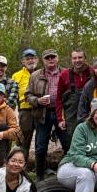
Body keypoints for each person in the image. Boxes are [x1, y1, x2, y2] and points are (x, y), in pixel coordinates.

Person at [26, 49, 66, 181]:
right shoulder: (35, 75)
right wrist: (37, 101)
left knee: (68, 144)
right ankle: (39, 176)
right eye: (47, 57)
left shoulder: (65, 73)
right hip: (43, 114)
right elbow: (27, 95)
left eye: (52, 57)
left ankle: (67, 173)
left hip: (62, 114)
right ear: (43, 60)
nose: (50, 59)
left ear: (57, 58)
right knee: (40, 146)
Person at [55, 49, 91, 140]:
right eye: (74, 58)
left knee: (90, 137)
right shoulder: (64, 75)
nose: (77, 60)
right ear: (71, 60)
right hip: (71, 115)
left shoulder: (93, 71)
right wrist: (60, 119)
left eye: (80, 57)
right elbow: (58, 98)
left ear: (85, 59)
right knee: (72, 138)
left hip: (90, 112)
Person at [12, 48, 39, 162]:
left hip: (40, 110)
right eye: (27, 59)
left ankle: (40, 165)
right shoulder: (16, 75)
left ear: (37, 60)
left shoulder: (42, 73)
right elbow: (13, 97)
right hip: (25, 111)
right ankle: (22, 163)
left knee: (41, 139)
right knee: (23, 140)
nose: (30, 61)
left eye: (32, 58)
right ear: (23, 61)